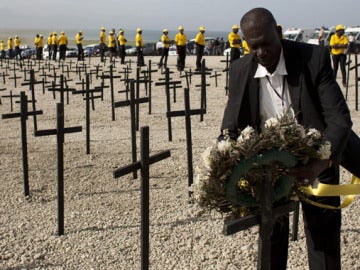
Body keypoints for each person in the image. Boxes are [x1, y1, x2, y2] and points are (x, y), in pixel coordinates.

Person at [220, 7, 353, 270]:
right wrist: (226, 172)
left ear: (278, 33)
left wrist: (319, 163)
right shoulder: (240, 70)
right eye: (253, 47)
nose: (261, 54)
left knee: (322, 239)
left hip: (317, 157)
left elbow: (339, 119)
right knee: (271, 237)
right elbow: (229, 130)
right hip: (270, 167)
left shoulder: (313, 59)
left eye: (266, 44)